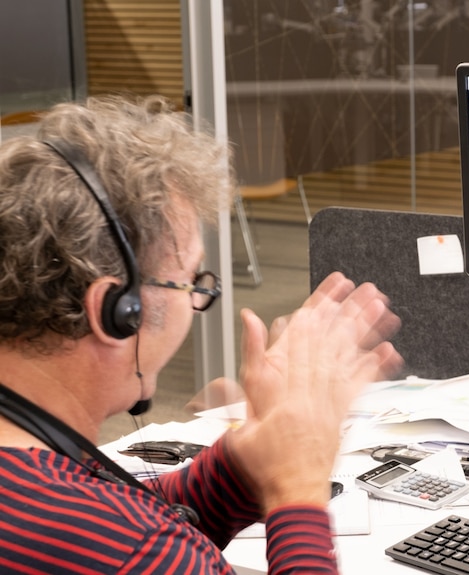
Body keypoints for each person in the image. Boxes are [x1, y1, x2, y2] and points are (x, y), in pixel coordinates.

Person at [0, 95, 403, 573]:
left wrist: (240, 466)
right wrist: (297, 488)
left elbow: (108, 520)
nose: (196, 300)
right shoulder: (139, 550)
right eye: (189, 281)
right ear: (116, 310)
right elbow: (132, 542)